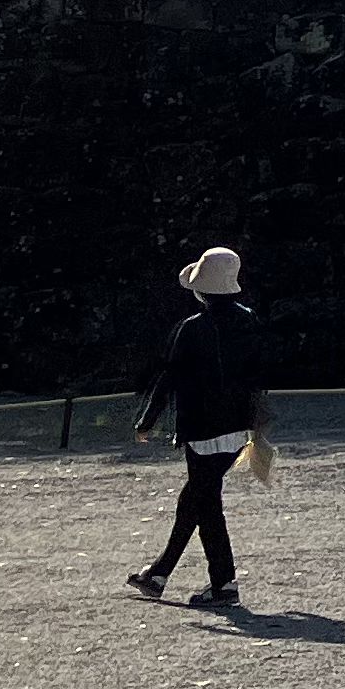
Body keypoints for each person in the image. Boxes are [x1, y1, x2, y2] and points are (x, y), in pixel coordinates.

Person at [127, 246, 263, 607]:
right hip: (238, 427)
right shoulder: (249, 320)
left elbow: (169, 378)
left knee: (206, 505)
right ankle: (158, 573)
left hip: (202, 429)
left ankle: (223, 584)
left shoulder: (192, 329)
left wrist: (146, 421)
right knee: (197, 499)